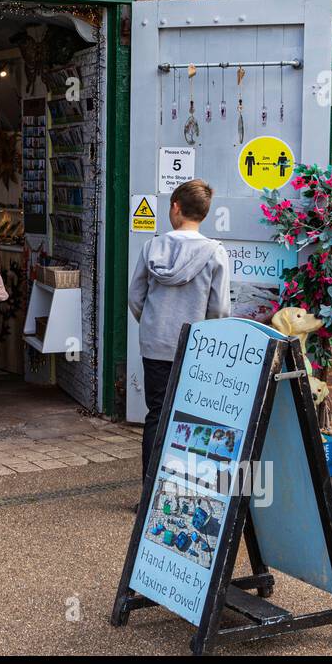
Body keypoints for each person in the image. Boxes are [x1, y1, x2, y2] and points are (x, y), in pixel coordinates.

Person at [128, 179, 231, 477]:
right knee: (192, 416)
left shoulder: (152, 246)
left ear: (176, 206)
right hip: (195, 347)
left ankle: (150, 490)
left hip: (156, 344)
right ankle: (185, 485)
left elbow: (136, 297)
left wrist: (151, 324)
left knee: (156, 414)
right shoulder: (214, 252)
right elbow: (221, 309)